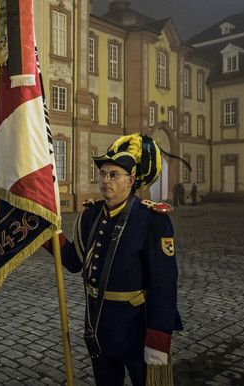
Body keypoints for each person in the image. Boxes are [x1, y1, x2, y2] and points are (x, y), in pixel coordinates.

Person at [47, 134, 183, 386]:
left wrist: (158, 338)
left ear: (131, 180)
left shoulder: (153, 219)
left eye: (113, 175)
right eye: (102, 174)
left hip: (136, 328)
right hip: (99, 324)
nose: (105, 180)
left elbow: (164, 284)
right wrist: (48, 234)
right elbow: (75, 262)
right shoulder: (91, 215)